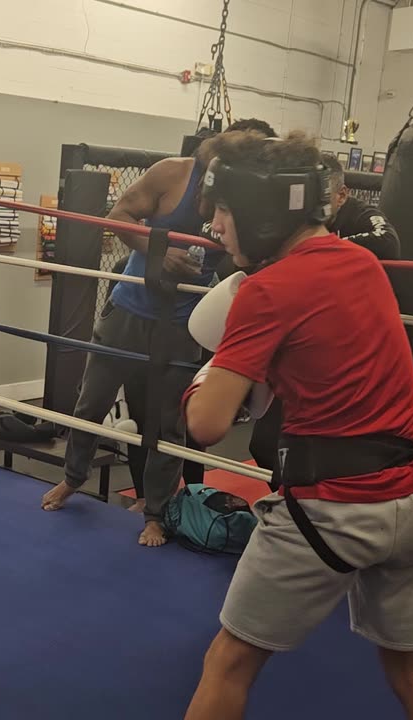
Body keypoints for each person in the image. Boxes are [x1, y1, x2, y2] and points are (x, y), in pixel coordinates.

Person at [181, 129, 413, 720]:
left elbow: (205, 426)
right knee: (411, 667)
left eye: (225, 211)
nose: (215, 227)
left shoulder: (268, 289)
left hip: (333, 510)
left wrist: (206, 375)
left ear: (257, 212)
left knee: (227, 663)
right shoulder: (360, 261)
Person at [38, 122, 277, 546]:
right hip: (130, 307)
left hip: (186, 321)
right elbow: (118, 217)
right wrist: (160, 252)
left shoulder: (252, 196)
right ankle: (73, 479)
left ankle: (156, 512)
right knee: (91, 401)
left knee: (170, 423)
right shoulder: (172, 174)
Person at [246, 151, 402, 472]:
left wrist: (323, 251)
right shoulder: (294, 221)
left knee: (315, 448)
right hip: (298, 337)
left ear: (341, 195)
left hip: (344, 342)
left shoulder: (359, 214)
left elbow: (387, 242)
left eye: (324, 194)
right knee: (263, 445)